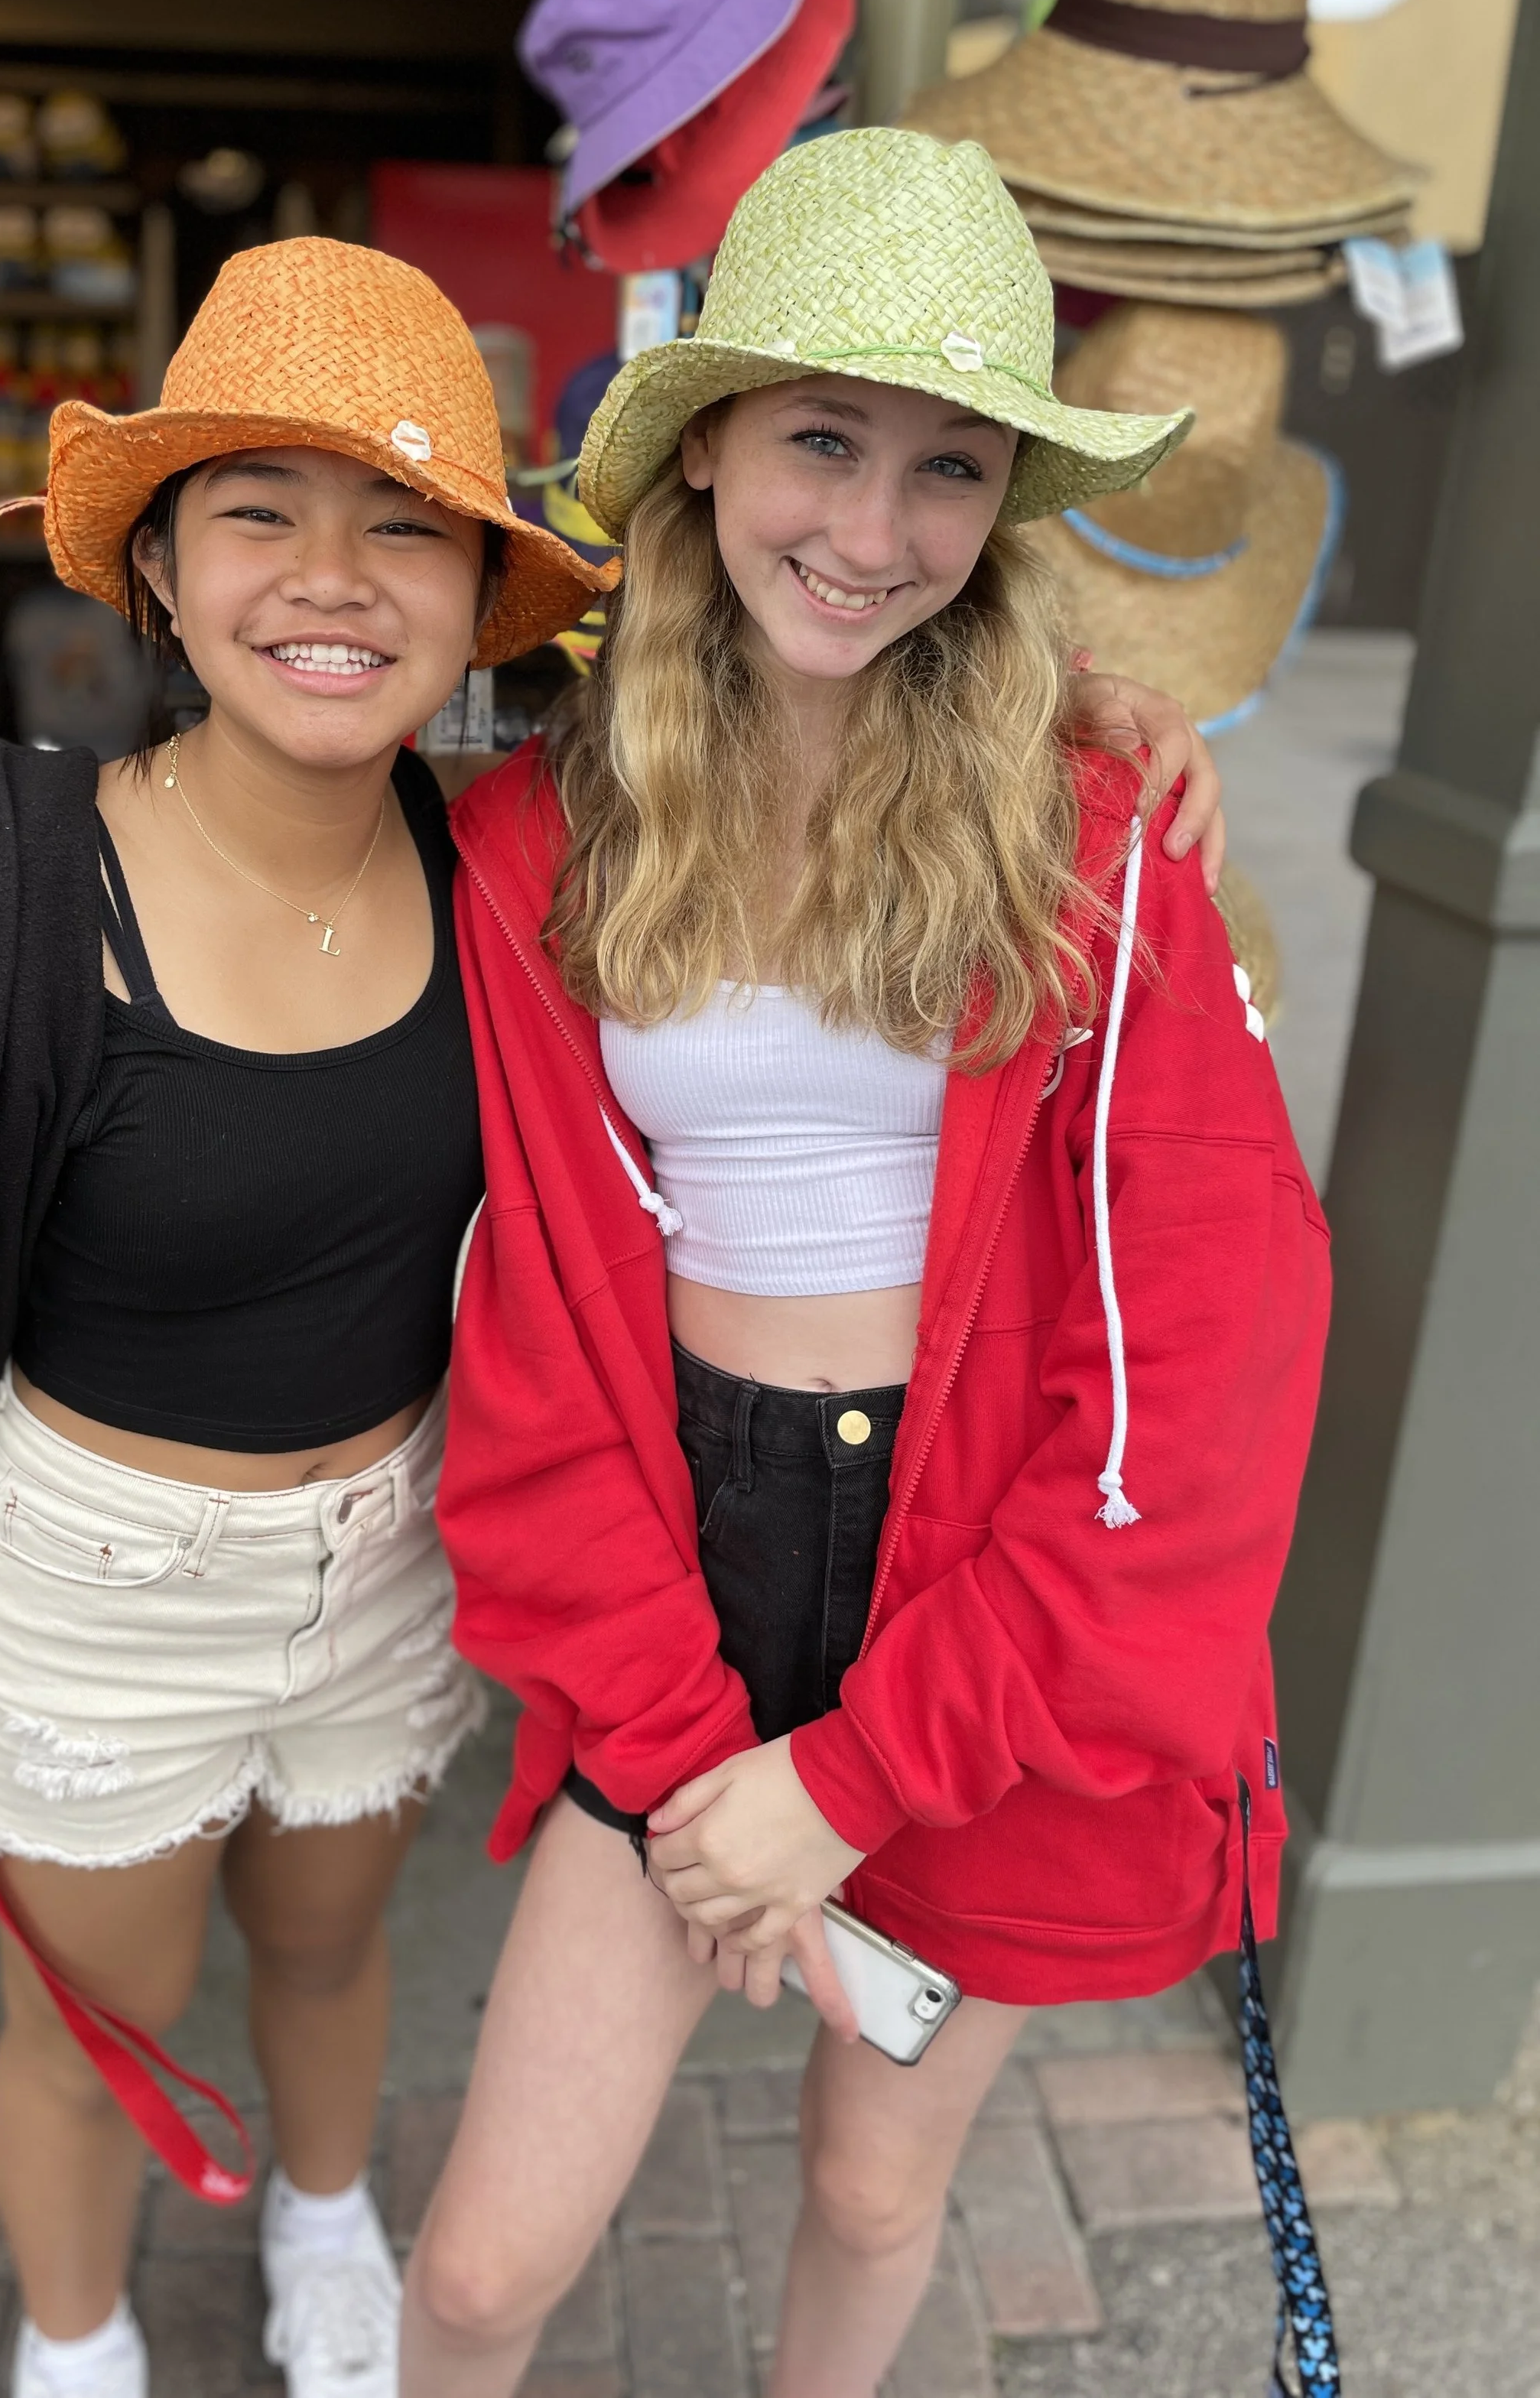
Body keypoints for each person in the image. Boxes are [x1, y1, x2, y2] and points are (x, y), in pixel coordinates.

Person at [0, 232, 1221, 2398]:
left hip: (393, 1550)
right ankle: (75, 2339)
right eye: (256, 512)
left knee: (328, 1955)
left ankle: (326, 2224)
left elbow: (841, 700)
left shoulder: (505, 843)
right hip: (102, 1568)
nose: (331, 577)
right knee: (92, 2015)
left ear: (474, 592)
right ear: (151, 567)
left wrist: (1093, 709)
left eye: (400, 522)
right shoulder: (16, 878)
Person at [401, 130, 1329, 2398]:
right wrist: (701, 1750)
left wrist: (850, 1773)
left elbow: (1199, 1382)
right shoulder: (543, 838)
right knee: (481, 2269)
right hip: (683, 1559)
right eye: (820, 437)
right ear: (706, 441)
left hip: (984, 1582)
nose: (870, 527)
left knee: (866, 2192)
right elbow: (534, 1352)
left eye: (944, 469)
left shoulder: (1091, 829)